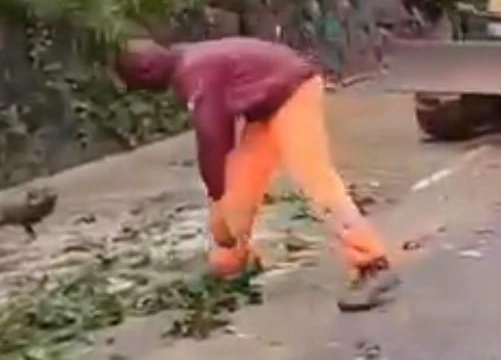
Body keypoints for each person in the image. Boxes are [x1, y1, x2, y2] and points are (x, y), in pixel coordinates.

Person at [115, 37, 399, 311]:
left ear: (148, 74)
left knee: (315, 179)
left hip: (293, 91)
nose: (144, 92)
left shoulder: (194, 71)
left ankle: (371, 263)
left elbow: (214, 137)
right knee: (240, 183)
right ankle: (232, 259)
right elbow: (220, 133)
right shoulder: (188, 62)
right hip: (265, 104)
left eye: (139, 85)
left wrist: (215, 192)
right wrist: (220, 195)